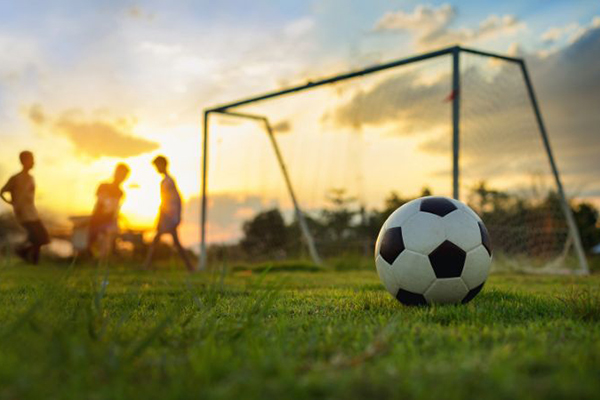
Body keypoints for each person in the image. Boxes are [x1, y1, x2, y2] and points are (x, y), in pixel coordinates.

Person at [143, 156, 193, 271]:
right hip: (169, 216)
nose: (156, 169)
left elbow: (172, 200)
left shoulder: (168, 181)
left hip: (169, 217)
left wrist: (172, 216)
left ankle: (147, 264)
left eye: (157, 166)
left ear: (163, 165)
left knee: (164, 241)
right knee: (168, 241)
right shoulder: (167, 180)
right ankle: (189, 267)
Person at [0, 151, 49, 264]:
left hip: (32, 212)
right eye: (31, 159)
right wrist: (12, 203)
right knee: (37, 237)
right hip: (23, 213)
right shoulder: (16, 178)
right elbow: (2, 191)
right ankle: (23, 252)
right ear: (23, 161)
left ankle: (29, 256)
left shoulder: (31, 178)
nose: (33, 162)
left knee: (42, 237)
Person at [87, 163, 130, 257]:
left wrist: (116, 219)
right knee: (92, 243)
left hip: (109, 222)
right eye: (120, 173)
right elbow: (101, 201)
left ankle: (106, 257)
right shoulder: (103, 186)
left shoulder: (120, 192)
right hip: (96, 221)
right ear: (115, 172)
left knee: (108, 241)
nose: (121, 177)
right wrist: (109, 204)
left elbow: (116, 209)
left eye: (124, 175)